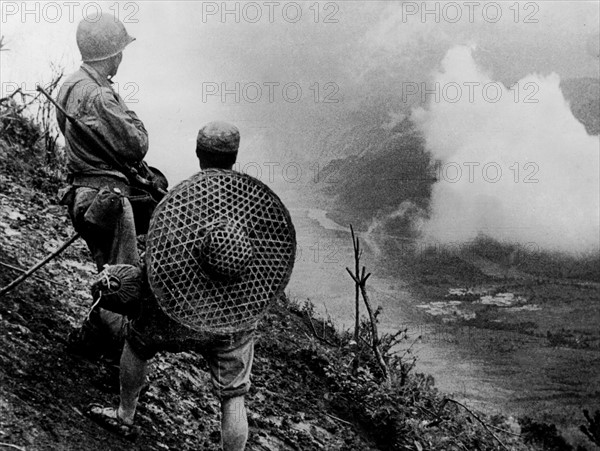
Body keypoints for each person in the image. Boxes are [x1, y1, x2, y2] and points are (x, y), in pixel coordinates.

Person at [88, 122, 254, 450]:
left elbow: (155, 265)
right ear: (234, 157)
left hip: (175, 313)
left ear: (198, 154)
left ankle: (125, 414)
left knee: (137, 343)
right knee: (233, 396)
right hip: (229, 321)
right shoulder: (249, 205)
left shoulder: (180, 202)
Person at [56, 13, 149, 359]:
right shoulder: (100, 96)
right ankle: (119, 360)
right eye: (119, 51)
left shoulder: (69, 85)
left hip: (83, 195)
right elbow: (137, 143)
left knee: (107, 271)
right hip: (107, 198)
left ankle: (90, 341)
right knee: (122, 281)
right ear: (111, 55)